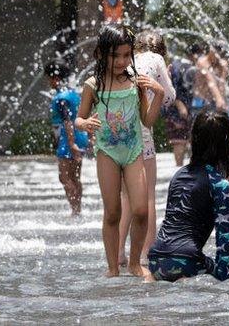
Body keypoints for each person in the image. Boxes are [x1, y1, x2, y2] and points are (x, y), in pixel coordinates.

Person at [76, 24, 164, 277]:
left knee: (141, 210)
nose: (122, 61)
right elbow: (79, 119)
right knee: (113, 211)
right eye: (116, 56)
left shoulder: (136, 82)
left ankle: (136, 263)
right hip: (108, 154)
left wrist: (157, 95)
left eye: (127, 55)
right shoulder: (94, 85)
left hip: (134, 152)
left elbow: (146, 122)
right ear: (102, 54)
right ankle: (113, 268)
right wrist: (86, 124)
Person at [145, 109, 229, 282]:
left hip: (155, 260)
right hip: (187, 261)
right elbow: (224, 240)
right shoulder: (220, 184)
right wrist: (225, 278)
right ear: (226, 144)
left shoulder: (178, 175)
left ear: (193, 140)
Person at [118, 30, 175, 267]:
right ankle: (145, 253)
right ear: (160, 49)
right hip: (141, 130)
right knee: (148, 194)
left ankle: (118, 252)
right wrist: (162, 87)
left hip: (117, 128)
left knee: (125, 196)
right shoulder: (157, 60)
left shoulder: (128, 59)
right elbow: (170, 97)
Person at [45, 60, 88, 215]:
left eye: (49, 79)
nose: (49, 82)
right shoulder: (73, 94)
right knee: (75, 177)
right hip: (80, 135)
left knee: (64, 177)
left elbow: (67, 121)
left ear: (55, 78)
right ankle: (78, 210)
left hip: (68, 139)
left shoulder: (61, 98)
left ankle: (75, 210)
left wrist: (71, 143)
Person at [166, 43, 202, 166]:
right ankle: (181, 169)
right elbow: (172, 87)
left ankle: (182, 169)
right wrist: (180, 105)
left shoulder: (179, 64)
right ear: (193, 54)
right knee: (180, 141)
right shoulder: (185, 67)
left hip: (179, 108)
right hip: (179, 108)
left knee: (184, 140)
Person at [193, 43, 229, 113]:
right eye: (215, 52)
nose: (216, 55)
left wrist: (224, 72)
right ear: (210, 50)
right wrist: (219, 98)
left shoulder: (222, 64)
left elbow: (221, 84)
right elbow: (210, 81)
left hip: (213, 101)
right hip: (200, 101)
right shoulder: (202, 62)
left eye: (219, 52)